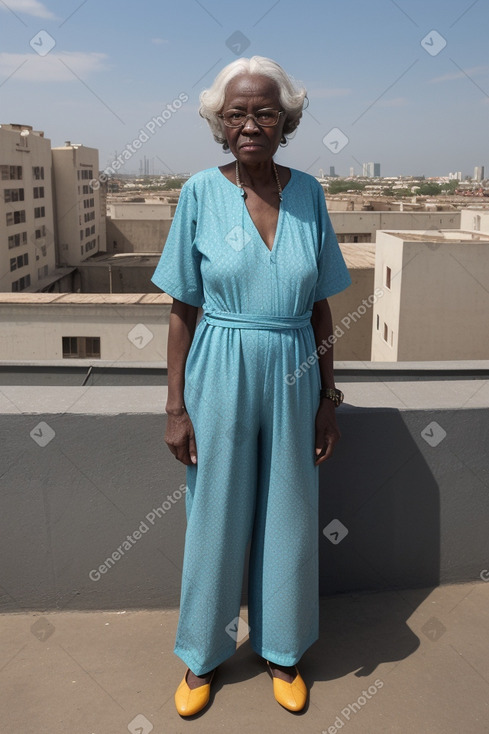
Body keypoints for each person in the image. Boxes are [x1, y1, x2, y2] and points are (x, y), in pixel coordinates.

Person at [150, 55, 351, 717]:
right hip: (218, 373)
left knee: (290, 517)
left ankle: (283, 652)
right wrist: (175, 407)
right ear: (219, 122)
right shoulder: (199, 194)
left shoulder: (310, 195)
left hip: (295, 370)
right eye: (235, 112)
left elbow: (321, 306)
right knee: (214, 517)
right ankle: (201, 658)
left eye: (264, 111)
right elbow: (182, 309)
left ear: (286, 119)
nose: (249, 123)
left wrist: (328, 397)